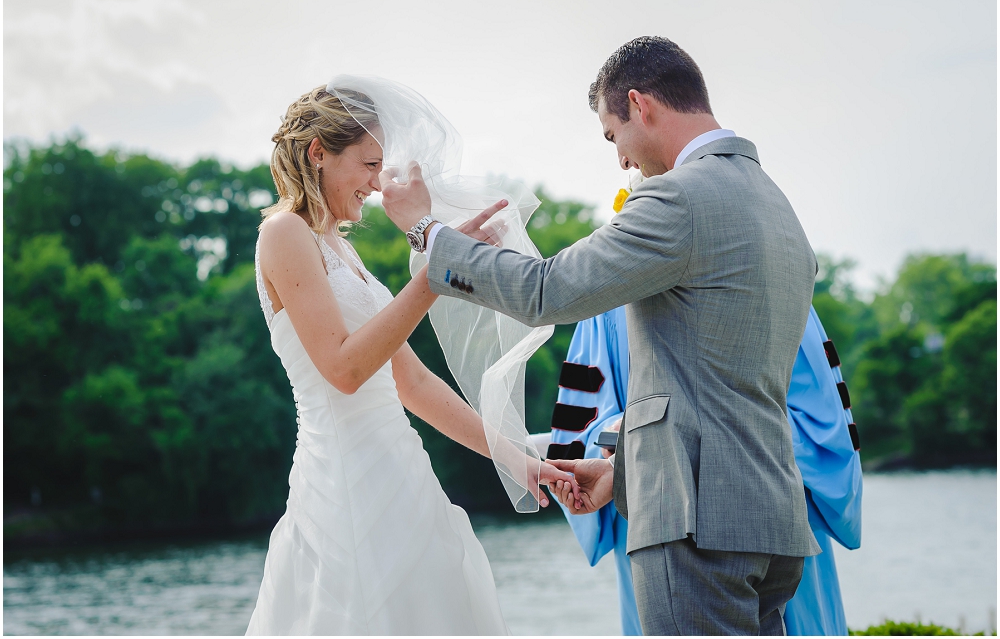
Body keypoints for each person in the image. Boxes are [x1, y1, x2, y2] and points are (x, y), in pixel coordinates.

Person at [381, 35, 822, 635]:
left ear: (640, 105)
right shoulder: (776, 204)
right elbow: (719, 384)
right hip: (771, 517)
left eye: (613, 136)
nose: (620, 161)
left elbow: (547, 292)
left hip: (695, 524)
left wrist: (425, 230)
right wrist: (624, 472)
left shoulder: (679, 198)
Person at [246, 85, 575, 635]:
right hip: (344, 484)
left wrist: (519, 460)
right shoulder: (285, 234)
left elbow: (415, 384)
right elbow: (345, 371)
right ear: (317, 153)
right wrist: (432, 276)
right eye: (369, 164)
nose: (377, 183)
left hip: (403, 474)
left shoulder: (342, 250)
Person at [537, 305, 863, 635]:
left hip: (769, 498)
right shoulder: (610, 300)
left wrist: (656, 427)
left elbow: (822, 422)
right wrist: (617, 440)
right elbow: (584, 425)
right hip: (656, 502)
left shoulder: (770, 271)